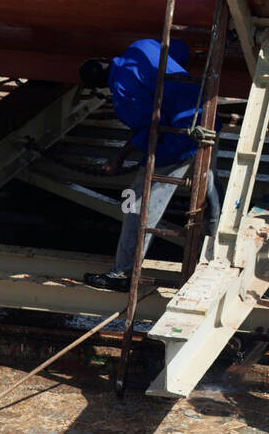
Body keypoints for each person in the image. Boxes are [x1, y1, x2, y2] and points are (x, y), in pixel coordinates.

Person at [78, 39, 220, 292]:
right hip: (205, 120)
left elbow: (150, 128)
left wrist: (120, 157)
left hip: (179, 137)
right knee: (211, 198)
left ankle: (122, 274)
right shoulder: (141, 46)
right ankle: (216, 260)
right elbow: (182, 51)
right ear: (104, 58)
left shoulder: (121, 89)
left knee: (139, 207)